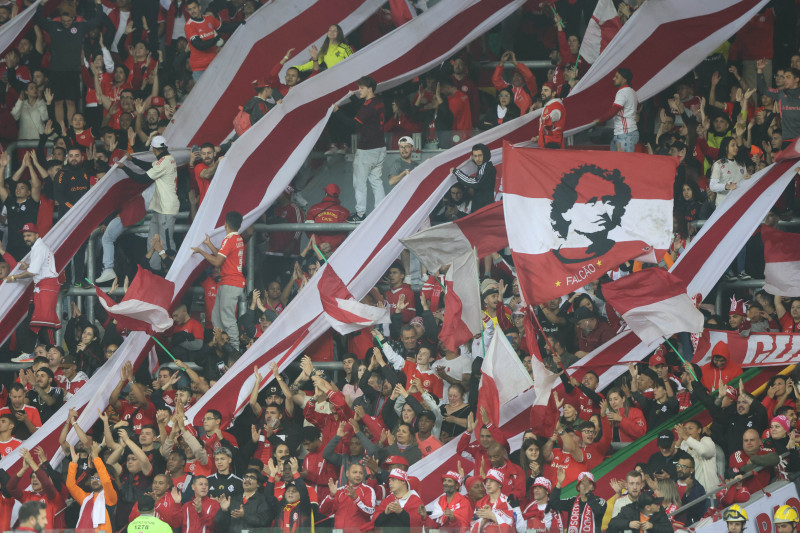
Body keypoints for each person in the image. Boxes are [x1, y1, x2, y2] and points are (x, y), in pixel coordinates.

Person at [120, 135, 180, 271]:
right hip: (160, 207)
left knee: (167, 245)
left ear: (154, 149)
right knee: (152, 242)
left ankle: (171, 273)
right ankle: (154, 272)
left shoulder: (164, 162)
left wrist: (124, 168)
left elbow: (142, 179)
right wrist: (133, 160)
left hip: (166, 208)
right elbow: (149, 166)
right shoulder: (167, 159)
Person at [331, 76, 385, 223]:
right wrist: (354, 98)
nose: (359, 90)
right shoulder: (378, 101)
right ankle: (381, 211)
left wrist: (337, 111)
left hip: (367, 149)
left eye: (361, 88)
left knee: (359, 182)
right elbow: (364, 108)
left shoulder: (368, 108)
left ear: (370, 89)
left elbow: (353, 124)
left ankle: (360, 214)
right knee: (376, 180)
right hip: (380, 147)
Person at [191, 211, 246, 351]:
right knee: (216, 318)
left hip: (231, 283)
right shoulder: (237, 238)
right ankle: (220, 345)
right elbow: (221, 255)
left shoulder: (229, 239)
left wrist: (201, 252)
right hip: (227, 282)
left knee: (227, 319)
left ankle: (235, 350)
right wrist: (209, 244)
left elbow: (217, 261)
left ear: (225, 224)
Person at [6, 223, 60, 345]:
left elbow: (33, 272)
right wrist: (29, 266)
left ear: (37, 234)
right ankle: (33, 351)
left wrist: (14, 277)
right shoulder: (38, 247)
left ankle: (53, 351)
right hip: (43, 287)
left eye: (29, 235)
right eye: (24, 236)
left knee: (44, 323)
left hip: (46, 287)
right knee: (36, 322)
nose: (26, 238)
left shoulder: (39, 248)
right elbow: (39, 268)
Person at [66, 442, 118, 533]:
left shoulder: (110, 498)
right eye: (93, 478)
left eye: (98, 478)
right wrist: (74, 463)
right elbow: (70, 485)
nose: (94, 480)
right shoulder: (85, 498)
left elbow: (106, 481)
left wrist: (96, 458)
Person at [592, 68, 638, 152]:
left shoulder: (623, 92)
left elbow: (613, 111)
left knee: (623, 163)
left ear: (624, 80)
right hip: (625, 133)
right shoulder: (632, 92)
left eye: (616, 77)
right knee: (617, 162)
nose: (613, 78)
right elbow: (638, 107)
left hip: (625, 134)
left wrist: (599, 119)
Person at [319, 463, 376, 530]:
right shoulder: (338, 491)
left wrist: (356, 499)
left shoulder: (368, 490)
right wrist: (331, 496)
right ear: (347, 473)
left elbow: (370, 511)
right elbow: (322, 511)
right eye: (355, 472)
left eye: (361, 473)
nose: (358, 475)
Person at [184, 0, 222, 82]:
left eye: (194, 8)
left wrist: (241, 23)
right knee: (206, 95)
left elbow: (224, 27)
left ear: (200, 8)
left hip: (215, 63)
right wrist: (214, 40)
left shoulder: (209, 19)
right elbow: (199, 45)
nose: (193, 11)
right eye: (190, 9)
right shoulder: (189, 26)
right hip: (200, 69)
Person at [452, 144, 496, 212]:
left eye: (480, 155)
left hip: (483, 209)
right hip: (484, 207)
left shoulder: (486, 168)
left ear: (485, 155)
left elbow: (476, 183)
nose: (477, 159)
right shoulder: (485, 166)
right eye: (475, 156)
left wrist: (457, 172)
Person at [608, 492, 672, 533]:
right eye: (657, 504)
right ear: (648, 507)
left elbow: (669, 530)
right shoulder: (629, 510)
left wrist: (653, 526)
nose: (660, 505)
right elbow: (612, 523)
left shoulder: (660, 512)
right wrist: (628, 524)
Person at [535, 82, 566, 148]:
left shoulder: (557, 105)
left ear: (554, 93)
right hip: (546, 146)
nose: (542, 93)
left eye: (546, 90)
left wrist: (551, 118)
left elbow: (556, 114)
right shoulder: (548, 106)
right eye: (542, 90)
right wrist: (538, 137)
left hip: (553, 147)